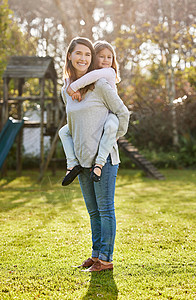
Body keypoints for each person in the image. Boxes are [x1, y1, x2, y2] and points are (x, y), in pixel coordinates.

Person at [59, 37, 129, 272]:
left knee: (105, 210)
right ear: (69, 56)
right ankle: (96, 254)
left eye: (88, 55)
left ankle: (106, 259)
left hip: (105, 160)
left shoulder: (100, 85)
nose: (83, 58)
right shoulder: (66, 90)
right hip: (81, 161)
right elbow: (71, 124)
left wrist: (110, 141)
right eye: (79, 53)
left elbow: (123, 113)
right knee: (93, 211)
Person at [59, 41, 121, 185]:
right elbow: (83, 81)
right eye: (101, 57)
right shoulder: (91, 78)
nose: (105, 60)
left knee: (111, 128)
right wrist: (72, 86)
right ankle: (72, 164)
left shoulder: (107, 72)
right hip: (95, 122)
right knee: (63, 132)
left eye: (109, 57)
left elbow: (89, 78)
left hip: (110, 115)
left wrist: (73, 87)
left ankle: (99, 164)